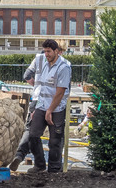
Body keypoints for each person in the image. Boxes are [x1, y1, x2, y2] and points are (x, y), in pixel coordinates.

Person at [9, 39, 72, 174]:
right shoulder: (43, 63)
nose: (46, 54)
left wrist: (50, 111)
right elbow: (41, 87)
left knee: (55, 140)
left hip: (57, 108)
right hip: (41, 105)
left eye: (49, 52)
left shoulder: (63, 67)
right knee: (32, 135)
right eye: (45, 51)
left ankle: (55, 169)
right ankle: (39, 165)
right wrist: (36, 108)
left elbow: (60, 92)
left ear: (56, 51)